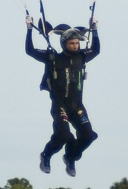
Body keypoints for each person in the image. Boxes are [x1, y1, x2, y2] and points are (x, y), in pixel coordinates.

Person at [26, 16, 100, 177]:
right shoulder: (53, 59)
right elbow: (30, 51)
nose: (75, 46)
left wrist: (94, 30)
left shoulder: (82, 56)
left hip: (77, 106)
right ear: (64, 44)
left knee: (89, 135)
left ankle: (70, 157)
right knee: (64, 135)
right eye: (71, 44)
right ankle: (46, 155)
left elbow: (97, 50)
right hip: (60, 105)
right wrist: (29, 29)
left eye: (76, 43)